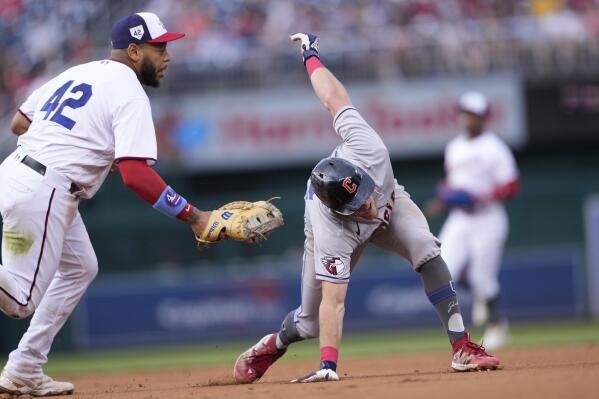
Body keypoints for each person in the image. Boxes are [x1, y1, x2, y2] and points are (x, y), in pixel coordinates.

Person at [233, 33, 501, 384]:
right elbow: (335, 302)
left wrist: (310, 55)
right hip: (341, 237)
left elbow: (332, 97)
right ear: (338, 209)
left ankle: (462, 348)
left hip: (394, 200)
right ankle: (276, 343)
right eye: (357, 207)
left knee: (427, 248)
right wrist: (328, 365)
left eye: (363, 196)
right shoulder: (329, 225)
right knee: (310, 322)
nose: (366, 207)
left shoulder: (366, 147)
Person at [0, 12, 212, 396]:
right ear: (134, 51)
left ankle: (24, 367)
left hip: (17, 172)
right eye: (159, 46)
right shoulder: (130, 91)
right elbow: (136, 175)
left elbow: (18, 122)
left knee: (81, 267)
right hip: (46, 189)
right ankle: (23, 367)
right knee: (18, 301)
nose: (167, 55)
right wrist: (193, 216)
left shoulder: (76, 72)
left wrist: (79, 143)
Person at [425, 92, 520, 350]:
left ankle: (498, 324)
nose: (467, 118)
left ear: (483, 118)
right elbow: (452, 184)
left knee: (484, 278)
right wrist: (441, 198)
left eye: (473, 114)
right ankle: (474, 298)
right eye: (465, 113)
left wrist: (485, 196)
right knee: (442, 269)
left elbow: (511, 184)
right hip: (460, 218)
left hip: (488, 217)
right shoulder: (454, 147)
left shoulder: (493, 146)